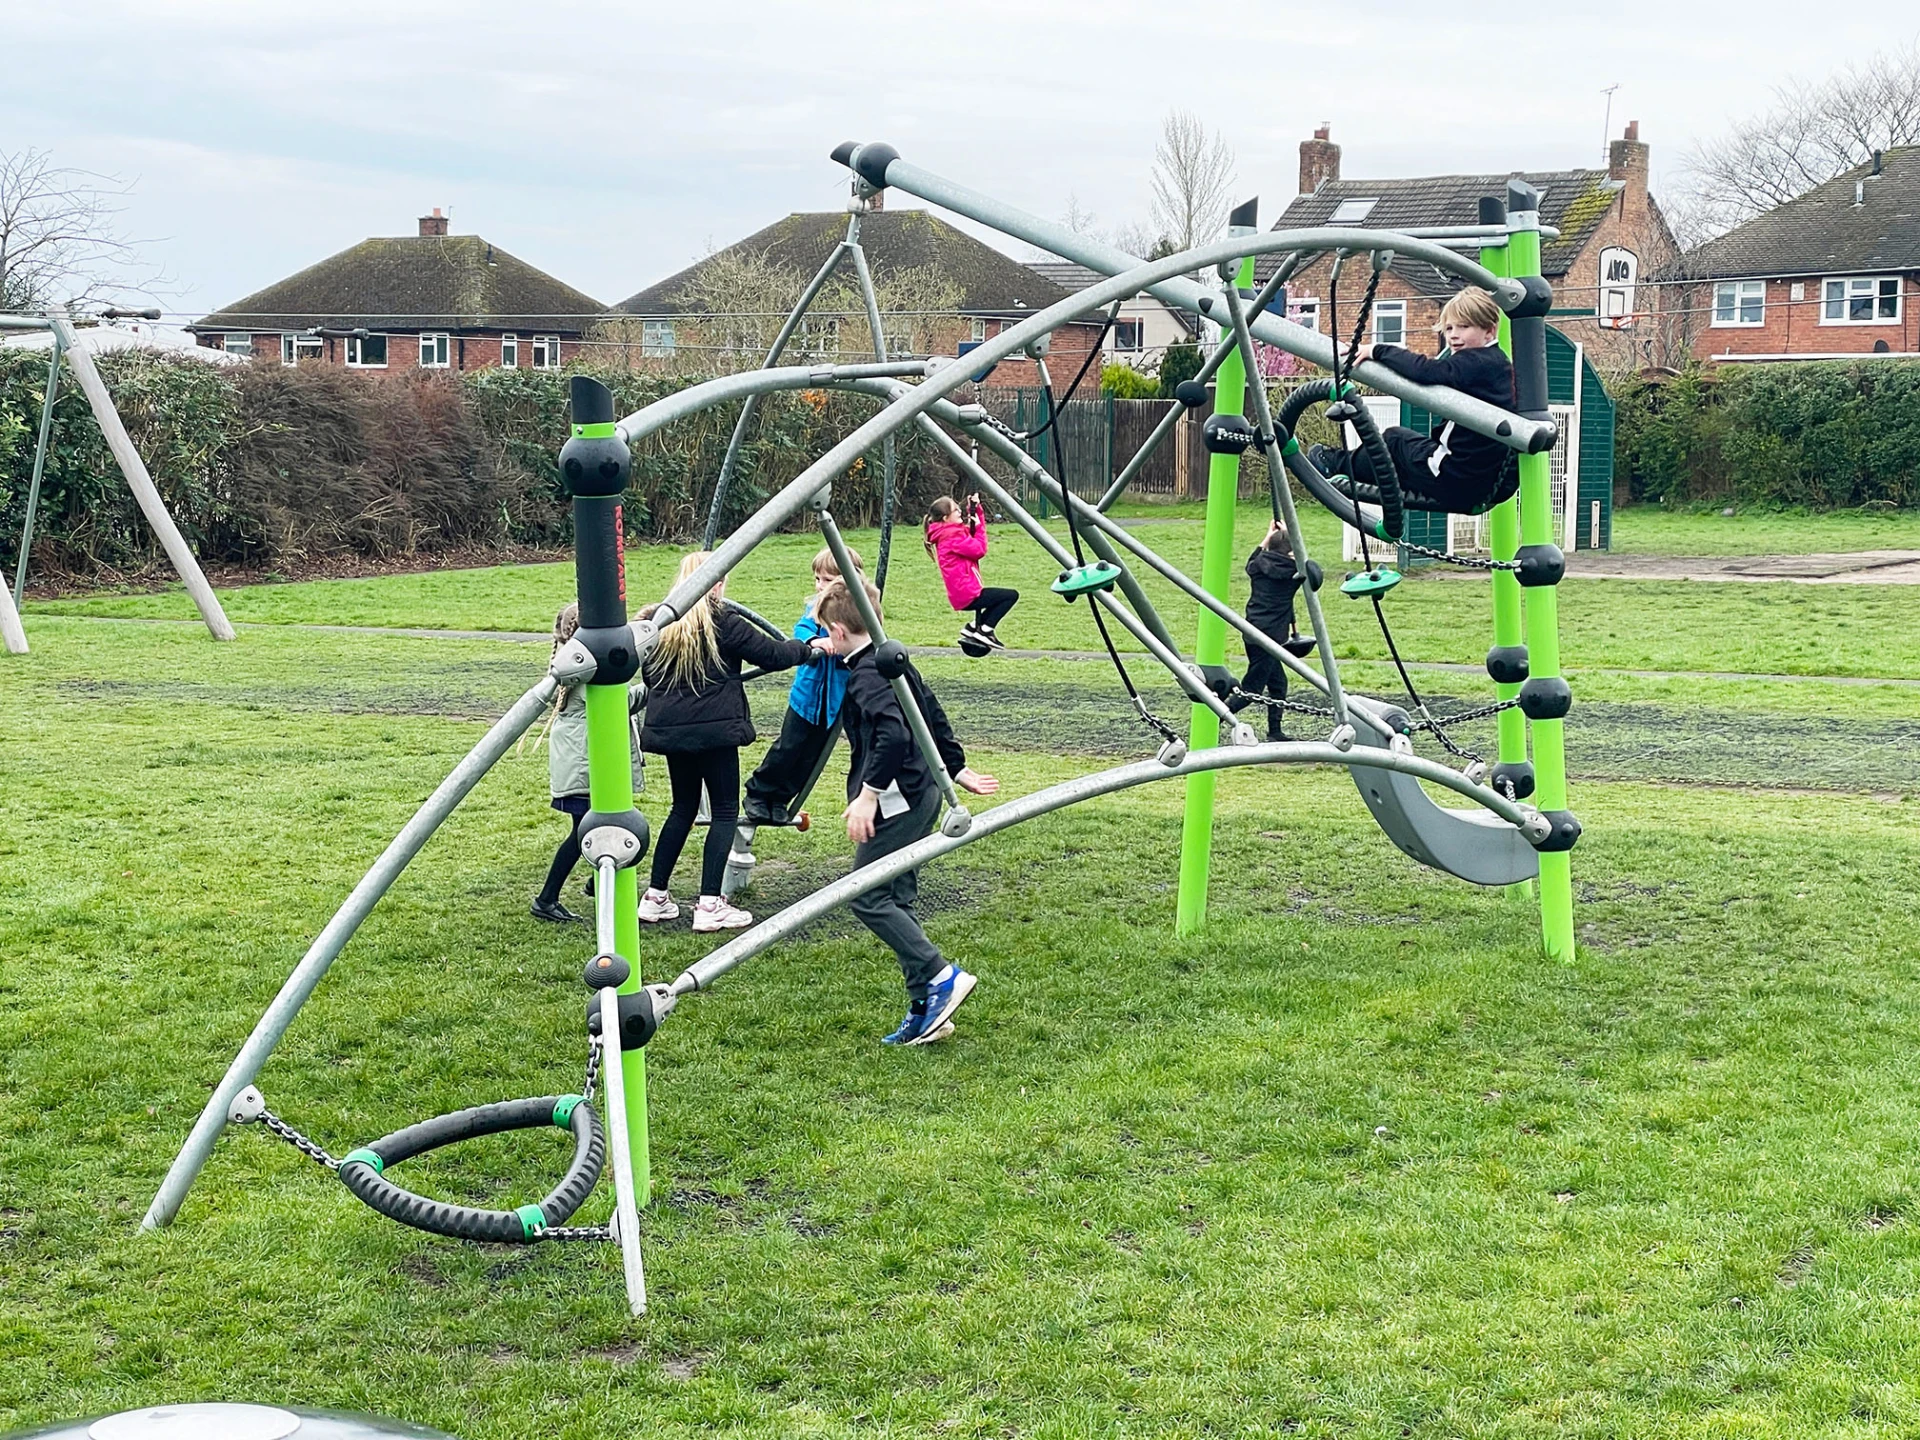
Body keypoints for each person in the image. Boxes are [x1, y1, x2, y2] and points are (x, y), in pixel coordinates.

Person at [815, 577, 1000, 1045]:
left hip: (899, 799)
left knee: (866, 896)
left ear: (838, 632)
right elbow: (929, 711)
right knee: (895, 897)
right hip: (921, 791)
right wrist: (954, 769)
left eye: (826, 632)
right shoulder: (890, 657)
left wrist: (868, 796)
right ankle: (927, 1008)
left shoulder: (866, 675)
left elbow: (896, 735)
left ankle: (940, 977)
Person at [637, 551, 823, 933]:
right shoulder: (724, 622)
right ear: (717, 584)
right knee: (723, 810)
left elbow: (651, 676)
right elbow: (772, 655)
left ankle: (655, 896)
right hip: (715, 732)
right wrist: (811, 649)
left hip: (672, 733)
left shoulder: (664, 624)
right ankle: (709, 903)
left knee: (682, 808)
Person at [1307, 286, 1520, 516]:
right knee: (1404, 443)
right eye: (1449, 328)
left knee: (1394, 440)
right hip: (1485, 481)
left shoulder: (1475, 362)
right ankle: (1354, 467)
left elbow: (1425, 371)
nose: (1454, 335)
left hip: (1456, 478)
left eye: (1464, 327)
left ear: (1489, 331)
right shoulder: (1498, 364)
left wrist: (1377, 350)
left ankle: (1337, 465)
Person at [531, 601, 640, 923]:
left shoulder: (570, 662)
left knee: (599, 826)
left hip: (581, 763)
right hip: (584, 767)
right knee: (584, 833)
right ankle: (546, 898)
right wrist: (656, 686)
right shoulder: (586, 669)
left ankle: (596, 881)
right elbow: (622, 702)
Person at [743, 544, 862, 827]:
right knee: (789, 747)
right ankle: (759, 795)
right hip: (808, 696)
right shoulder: (816, 609)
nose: (820, 586)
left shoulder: (857, 613)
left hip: (835, 700)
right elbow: (802, 630)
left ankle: (780, 800)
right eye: (817, 579)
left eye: (827, 580)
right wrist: (816, 642)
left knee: (810, 757)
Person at [1226, 521, 1304, 743]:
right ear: (1291, 550)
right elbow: (1312, 569)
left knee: (1278, 683)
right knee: (1253, 689)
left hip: (1252, 631)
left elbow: (1250, 560)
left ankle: (1275, 731)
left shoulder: (1258, 565)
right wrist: (1292, 535)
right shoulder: (1294, 574)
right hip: (1269, 639)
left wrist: (1268, 537)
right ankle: (1216, 717)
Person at [924, 493, 1017, 653]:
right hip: (968, 594)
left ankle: (974, 626)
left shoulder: (949, 532)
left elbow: (970, 535)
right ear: (946, 518)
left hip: (963, 593)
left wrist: (975, 511)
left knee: (999, 598)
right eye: (955, 510)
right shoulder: (951, 536)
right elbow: (978, 549)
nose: (959, 511)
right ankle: (985, 630)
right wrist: (980, 527)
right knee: (1010, 596)